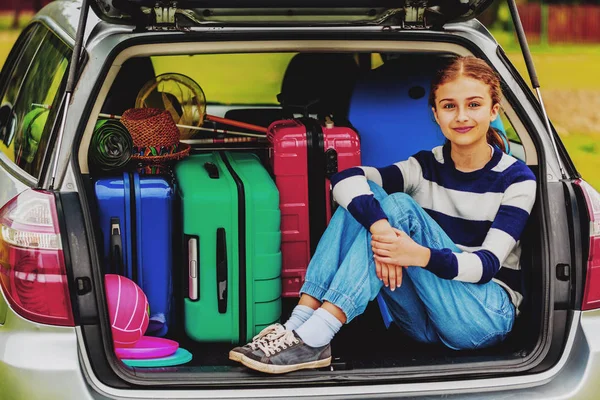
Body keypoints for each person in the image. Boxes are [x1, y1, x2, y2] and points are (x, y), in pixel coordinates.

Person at [229, 55, 537, 374]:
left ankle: (317, 335)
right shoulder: (425, 165)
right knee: (368, 199)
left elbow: (485, 266)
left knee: (399, 206)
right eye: (449, 106)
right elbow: (345, 179)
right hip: (424, 324)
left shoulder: (516, 179)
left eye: (473, 104)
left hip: (482, 318)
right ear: (435, 113)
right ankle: (297, 327)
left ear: (494, 110)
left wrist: (417, 255)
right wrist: (380, 228)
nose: (461, 117)